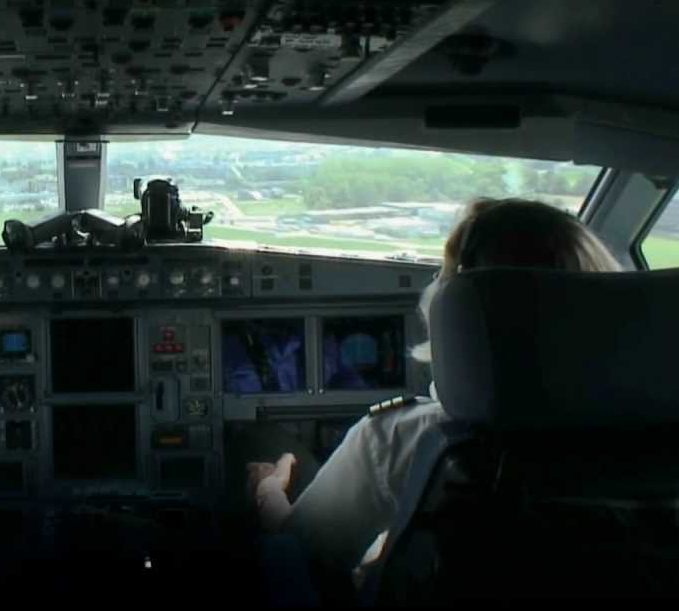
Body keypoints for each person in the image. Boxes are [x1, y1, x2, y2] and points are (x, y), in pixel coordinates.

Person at [246, 197, 624, 588]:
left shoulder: (404, 437)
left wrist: (269, 492)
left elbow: (303, 555)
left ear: (457, 311)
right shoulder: (664, 437)